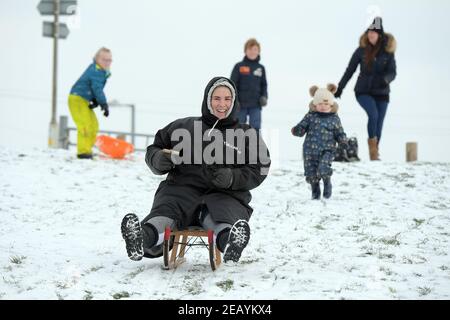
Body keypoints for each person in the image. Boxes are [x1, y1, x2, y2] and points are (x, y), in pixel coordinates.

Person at [121, 77, 271, 263]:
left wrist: (232, 177)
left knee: (221, 215)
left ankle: (230, 242)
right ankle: (141, 238)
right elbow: (154, 149)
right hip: (181, 190)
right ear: (207, 100)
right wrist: (159, 159)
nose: (222, 104)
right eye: (216, 98)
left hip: (226, 194)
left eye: (227, 98)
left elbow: (260, 166)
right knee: (167, 212)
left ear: (234, 102)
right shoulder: (183, 127)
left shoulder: (247, 134)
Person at [334, 17, 397, 160]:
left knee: (379, 122)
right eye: (369, 31)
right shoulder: (361, 50)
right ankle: (373, 154)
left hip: (382, 92)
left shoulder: (388, 52)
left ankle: (375, 152)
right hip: (363, 91)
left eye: (374, 32)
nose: (370, 34)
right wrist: (340, 88)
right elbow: (349, 70)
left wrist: (386, 79)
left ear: (379, 34)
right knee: (373, 115)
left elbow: (393, 72)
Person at [291, 84, 348, 200]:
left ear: (331, 104)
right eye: (320, 104)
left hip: (327, 150)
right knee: (311, 173)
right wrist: (297, 130)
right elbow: (302, 127)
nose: (323, 106)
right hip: (309, 151)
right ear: (315, 104)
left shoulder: (334, 118)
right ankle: (315, 191)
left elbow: (339, 132)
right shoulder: (310, 116)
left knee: (323, 168)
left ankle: (327, 183)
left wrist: (343, 140)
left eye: (326, 104)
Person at [68, 47, 112, 159]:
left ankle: (87, 149)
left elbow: (93, 87)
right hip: (77, 99)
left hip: (84, 99)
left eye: (109, 60)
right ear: (97, 58)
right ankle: (83, 152)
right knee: (85, 125)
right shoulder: (96, 70)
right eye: (104, 59)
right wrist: (103, 103)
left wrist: (95, 101)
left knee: (94, 125)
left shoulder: (101, 71)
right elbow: (97, 88)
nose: (107, 62)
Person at [231, 38, 268, 130]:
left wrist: (264, 97)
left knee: (255, 129)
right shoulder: (239, 66)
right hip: (240, 105)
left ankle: (254, 144)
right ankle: (236, 144)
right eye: (250, 49)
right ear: (245, 51)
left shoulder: (261, 68)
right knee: (238, 128)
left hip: (255, 105)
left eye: (255, 49)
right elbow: (232, 85)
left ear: (258, 51)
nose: (252, 52)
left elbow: (264, 85)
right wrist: (235, 101)